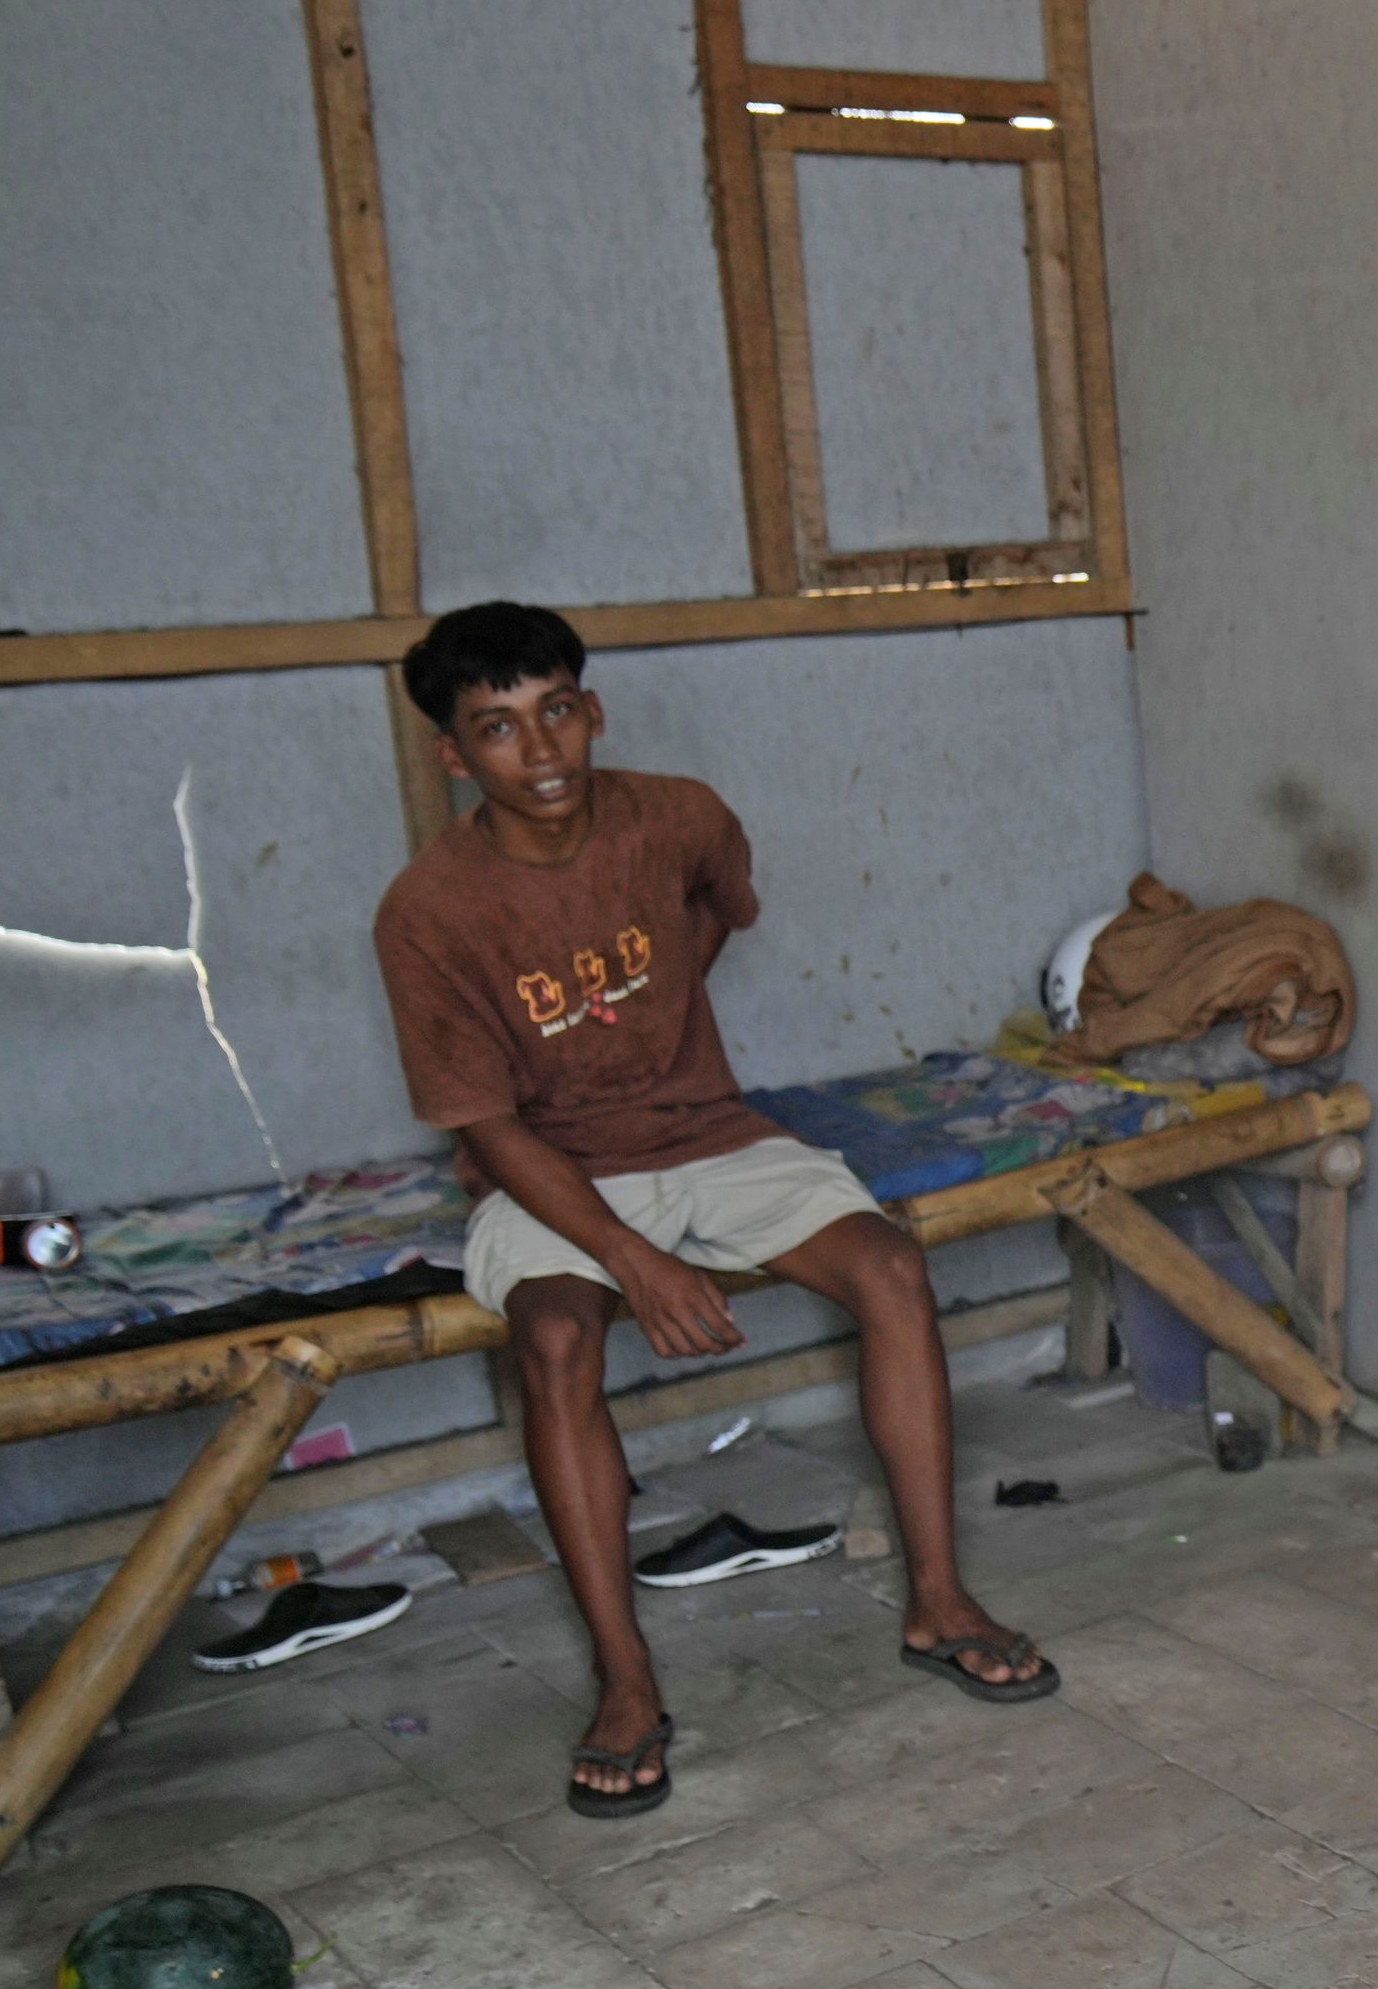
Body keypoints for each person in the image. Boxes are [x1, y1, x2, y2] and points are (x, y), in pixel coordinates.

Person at [373, 602, 1053, 1820]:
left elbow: (710, 916)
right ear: (454, 757)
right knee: (558, 1338)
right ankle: (626, 1680)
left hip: (713, 1134)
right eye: (498, 730)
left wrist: (660, 1046)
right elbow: (486, 1125)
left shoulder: (679, 814)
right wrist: (633, 1257)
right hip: (549, 1165)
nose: (541, 754)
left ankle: (939, 1599)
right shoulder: (428, 911)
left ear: (592, 709)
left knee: (892, 1271)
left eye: (557, 713)